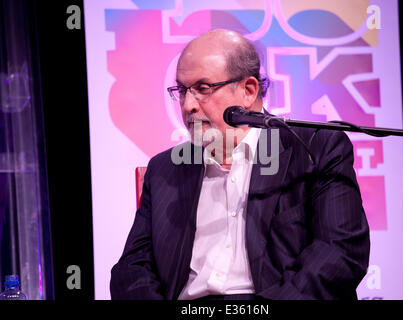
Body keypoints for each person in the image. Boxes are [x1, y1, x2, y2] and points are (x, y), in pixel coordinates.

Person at [110, 29, 370, 300]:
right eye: (182, 90)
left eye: (202, 89)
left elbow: (340, 253)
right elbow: (131, 270)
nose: (188, 105)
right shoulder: (165, 170)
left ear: (248, 91)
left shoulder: (313, 149)